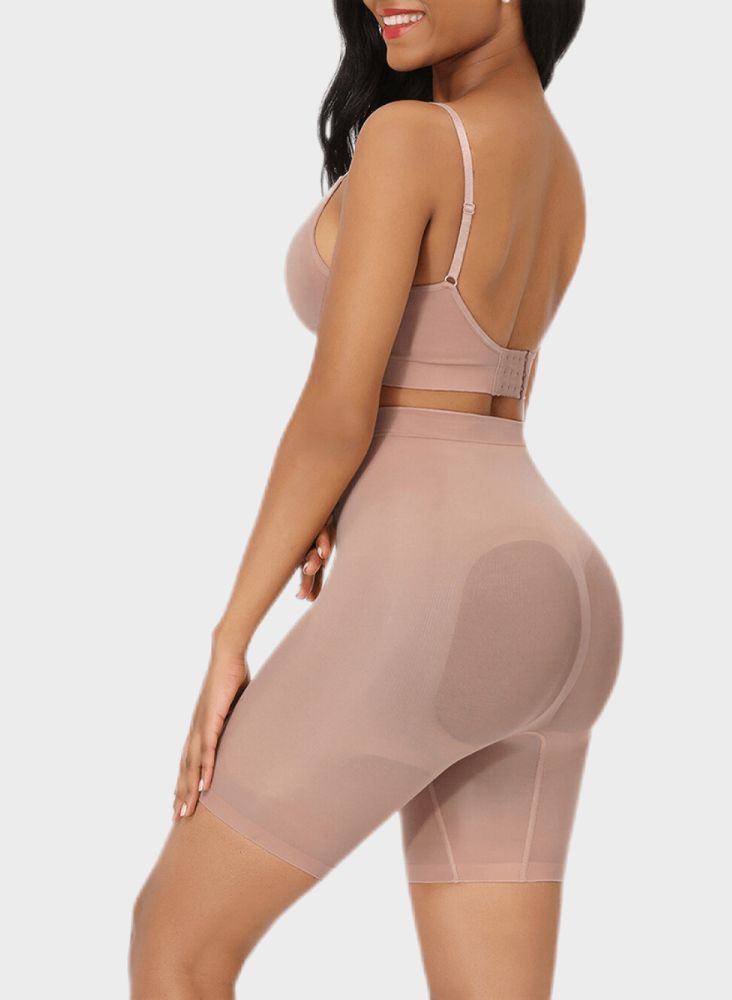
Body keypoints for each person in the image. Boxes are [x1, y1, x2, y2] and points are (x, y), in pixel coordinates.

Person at [129, 2, 623, 997]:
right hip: (562, 600)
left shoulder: (411, 138)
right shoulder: (559, 164)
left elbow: (337, 411)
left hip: (431, 588)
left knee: (175, 943)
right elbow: (462, 386)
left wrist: (230, 636)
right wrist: (349, 504)